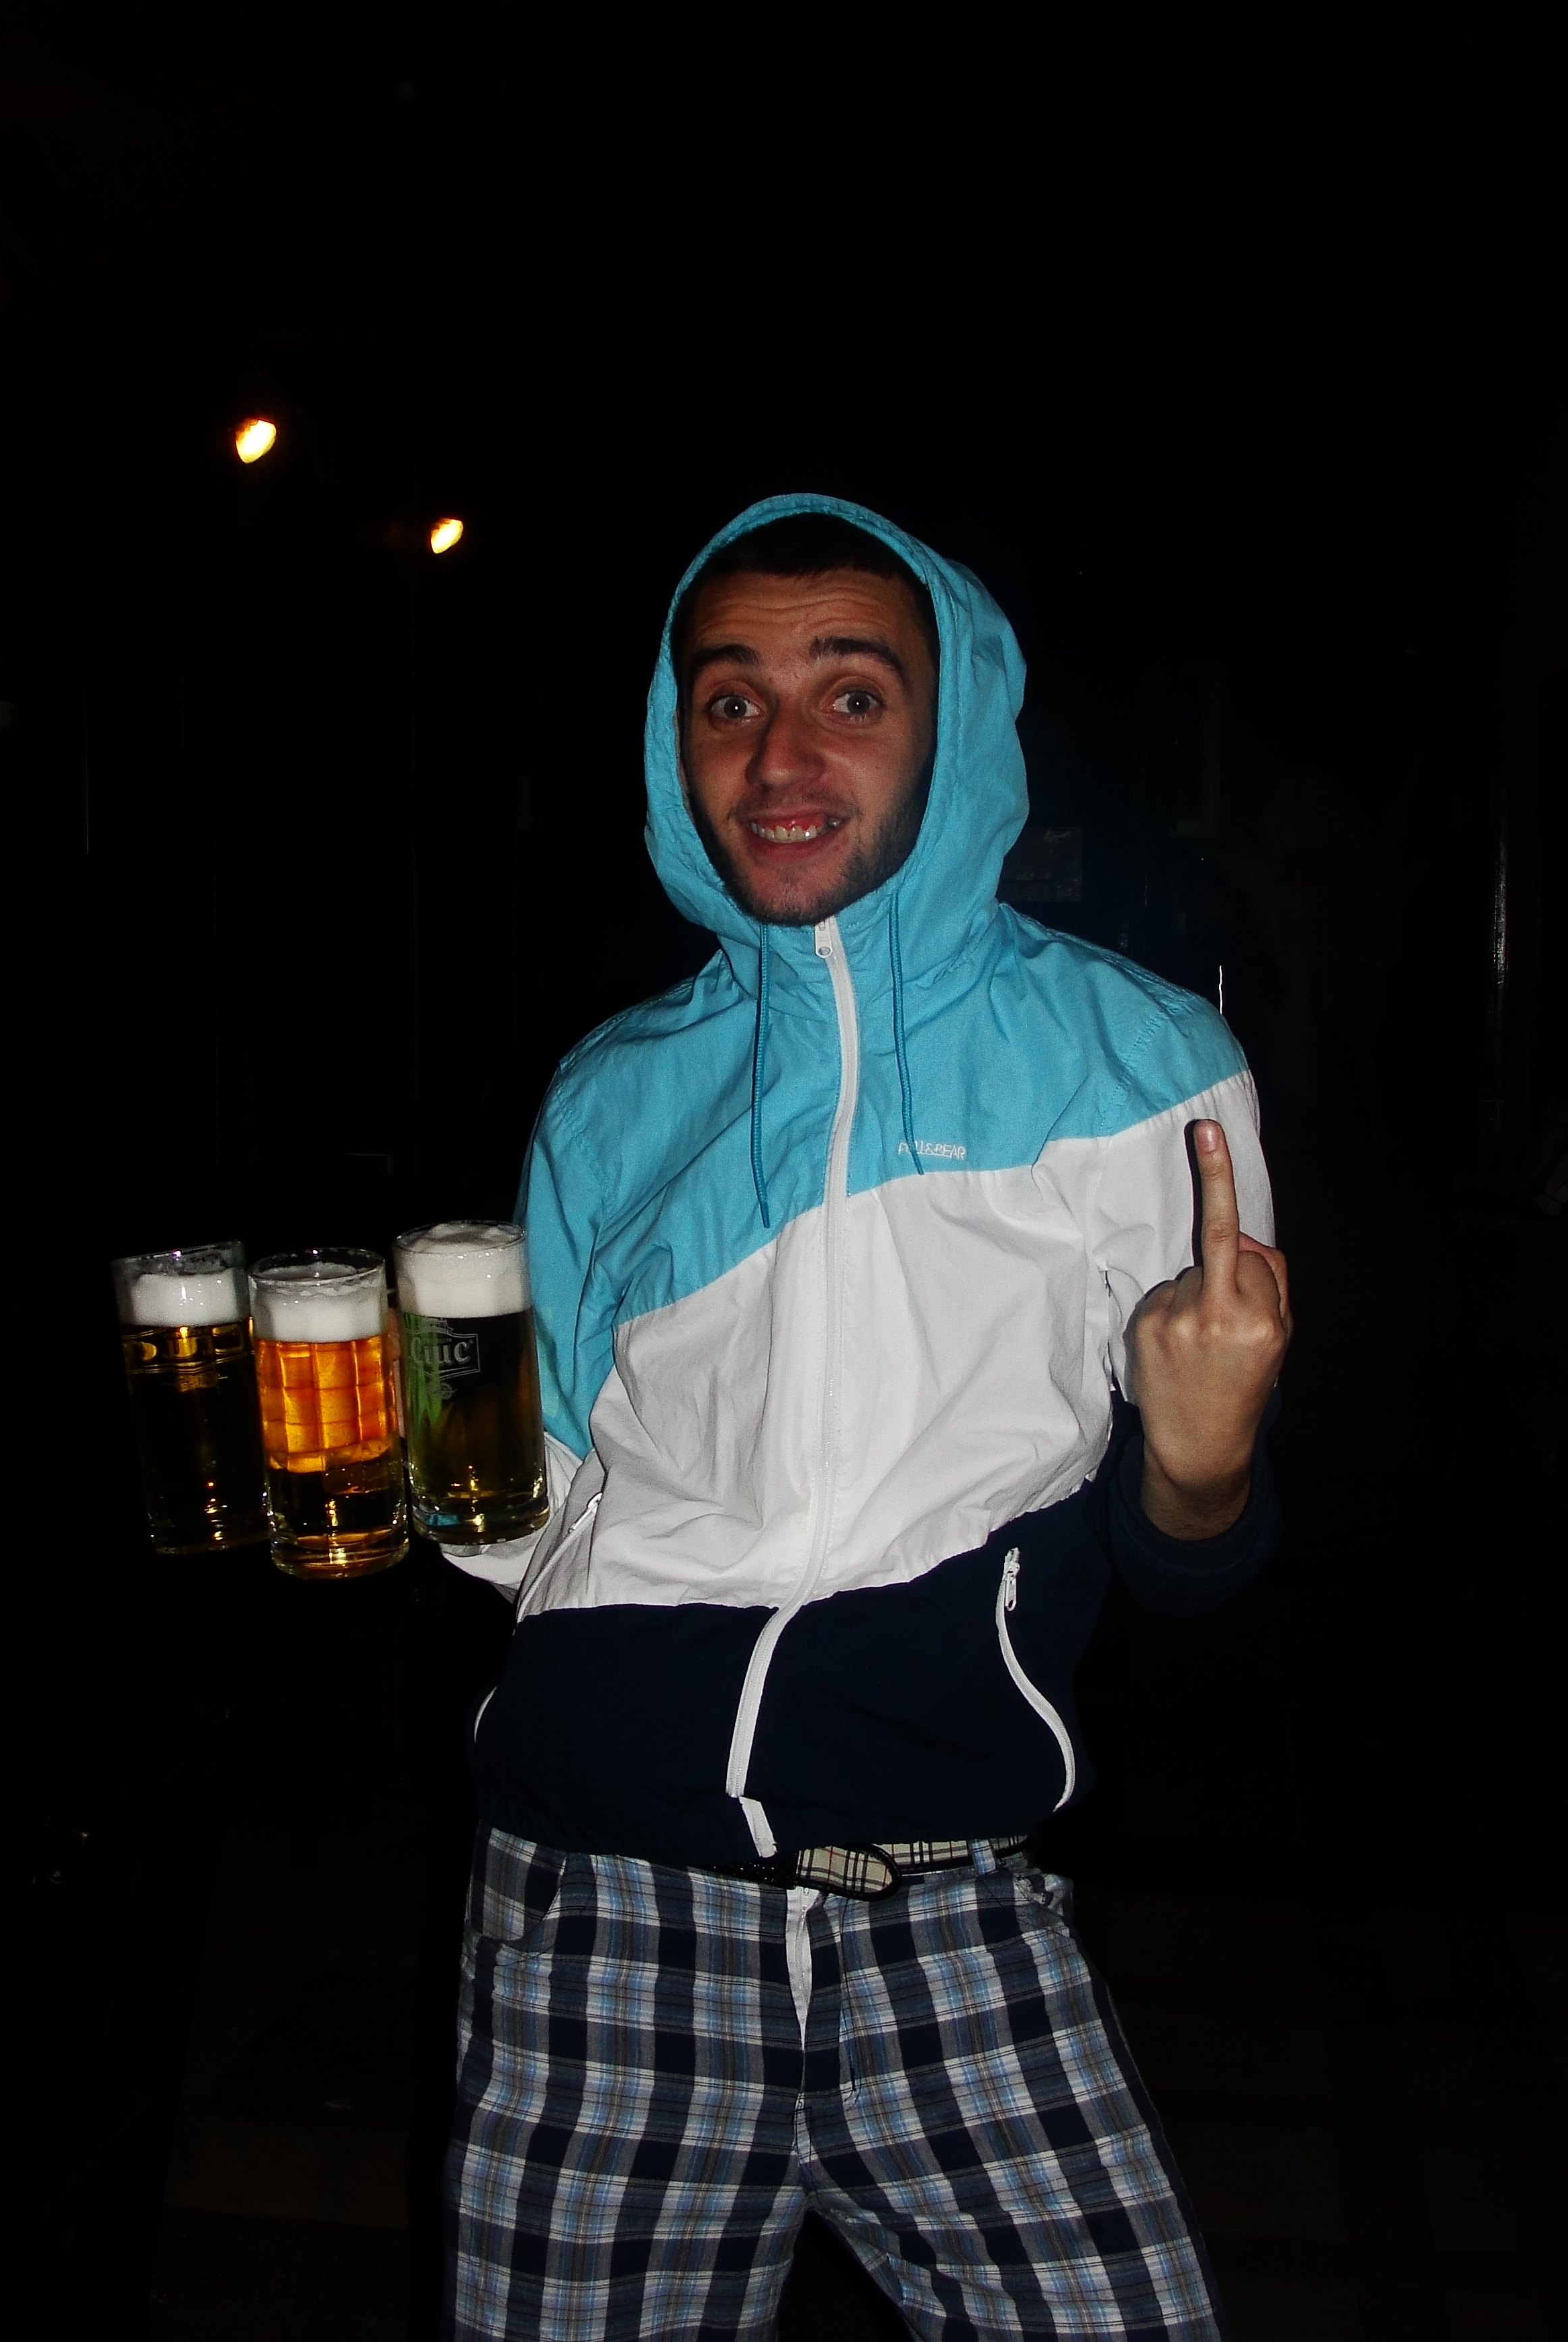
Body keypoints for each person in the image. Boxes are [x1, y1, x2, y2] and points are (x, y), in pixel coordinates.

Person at [440, 497, 1290, 2339]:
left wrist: (1208, 1458)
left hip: (952, 1918)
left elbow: (1191, 1559)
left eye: (852, 695)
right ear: (673, 747)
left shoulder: (1146, 1069)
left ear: (951, 723)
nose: (782, 758)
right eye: (729, 702)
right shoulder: (607, 1094)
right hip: (604, 1919)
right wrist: (414, 1474)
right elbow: (532, 1526)